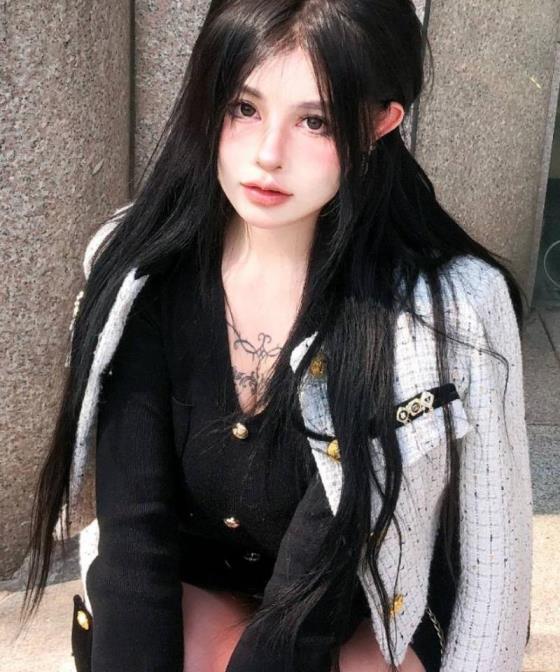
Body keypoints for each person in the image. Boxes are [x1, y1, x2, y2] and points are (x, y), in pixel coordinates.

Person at [20, 1, 533, 671]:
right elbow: (135, 539)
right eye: (244, 108)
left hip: (365, 600)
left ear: (380, 123)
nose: (268, 156)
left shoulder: (447, 306)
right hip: (198, 581)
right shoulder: (141, 267)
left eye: (315, 121)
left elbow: (495, 552)